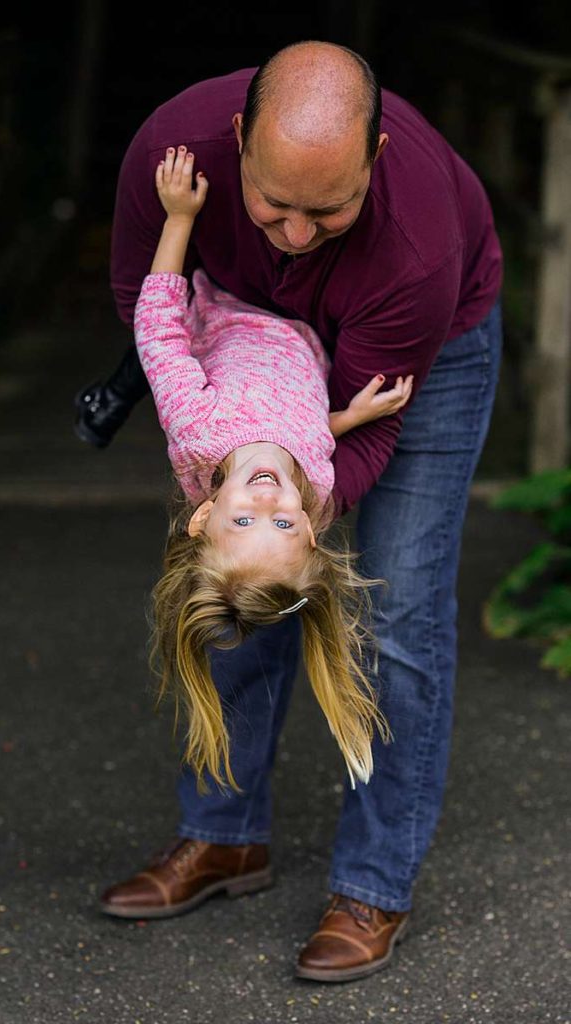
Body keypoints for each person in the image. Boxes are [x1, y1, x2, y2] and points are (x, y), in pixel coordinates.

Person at [90, 41, 503, 983]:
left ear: (378, 158)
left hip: (400, 380)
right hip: (243, 351)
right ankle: (225, 835)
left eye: (331, 209)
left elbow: (360, 435)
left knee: (395, 620)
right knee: (241, 597)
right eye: (276, 205)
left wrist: (296, 513)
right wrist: (243, 485)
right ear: (239, 141)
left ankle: (374, 883)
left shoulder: (416, 243)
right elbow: (139, 297)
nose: (298, 234)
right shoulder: (176, 151)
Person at [133, 143, 414, 800]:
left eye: (241, 518)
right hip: (309, 318)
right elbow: (307, 435)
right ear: (312, 532)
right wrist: (350, 415)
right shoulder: (310, 482)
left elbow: (157, 333)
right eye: (282, 521)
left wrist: (178, 220)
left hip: (238, 290)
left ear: (205, 514)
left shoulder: (198, 426)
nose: (268, 496)